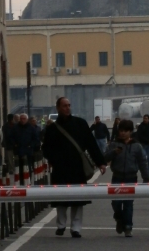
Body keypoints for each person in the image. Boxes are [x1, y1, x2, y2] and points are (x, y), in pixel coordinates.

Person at [43, 97, 106, 238]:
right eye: (64, 105)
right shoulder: (52, 128)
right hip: (60, 168)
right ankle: (61, 225)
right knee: (61, 198)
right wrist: (54, 160)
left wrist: (101, 162)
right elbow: (46, 148)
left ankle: (76, 228)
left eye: (69, 105)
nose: (67, 108)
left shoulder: (80, 124)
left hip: (77, 167)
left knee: (78, 199)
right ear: (58, 108)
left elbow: (91, 144)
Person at [104, 119, 149, 237]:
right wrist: (114, 152)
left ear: (130, 132)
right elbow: (105, 158)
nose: (123, 133)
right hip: (117, 177)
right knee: (116, 202)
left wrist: (146, 177)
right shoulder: (114, 144)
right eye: (121, 131)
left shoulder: (136, 146)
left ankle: (128, 226)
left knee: (128, 203)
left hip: (131, 177)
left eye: (126, 131)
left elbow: (142, 162)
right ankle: (119, 218)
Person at [12, 113, 39, 180]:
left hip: (28, 150)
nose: (22, 120)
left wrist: (31, 145)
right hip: (18, 150)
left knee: (28, 165)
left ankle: (28, 179)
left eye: (24, 119)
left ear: (27, 119)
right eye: (21, 119)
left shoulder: (31, 128)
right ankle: (20, 180)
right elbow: (10, 137)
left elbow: (35, 139)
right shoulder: (15, 127)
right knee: (19, 166)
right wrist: (14, 145)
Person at [136, 114, 149, 180]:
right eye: (144, 118)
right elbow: (139, 136)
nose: (145, 119)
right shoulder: (141, 127)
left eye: (146, 118)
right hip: (143, 144)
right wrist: (148, 141)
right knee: (143, 159)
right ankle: (145, 174)